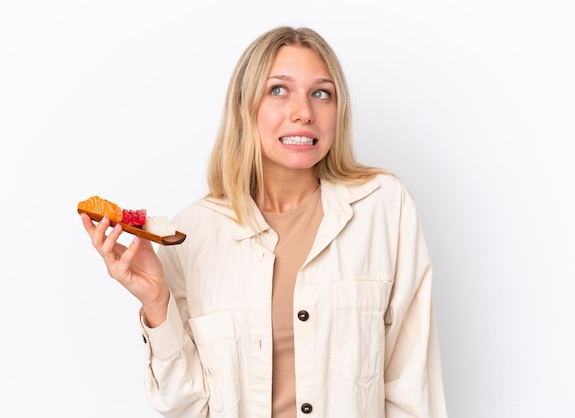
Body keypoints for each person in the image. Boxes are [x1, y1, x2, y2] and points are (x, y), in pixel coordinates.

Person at [80, 25, 447, 418]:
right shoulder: (193, 233)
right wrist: (156, 300)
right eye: (279, 90)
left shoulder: (383, 207)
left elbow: (411, 386)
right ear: (245, 107)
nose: (304, 112)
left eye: (321, 93)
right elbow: (185, 407)